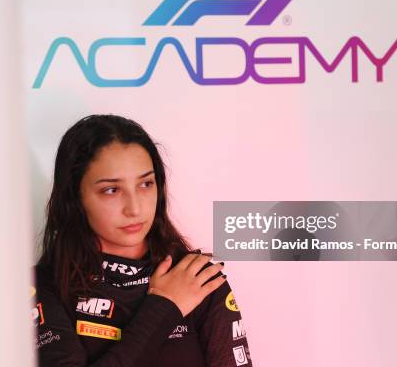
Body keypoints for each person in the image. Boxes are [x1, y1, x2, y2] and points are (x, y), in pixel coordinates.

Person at [31, 114, 253, 366]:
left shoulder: (197, 277)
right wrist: (164, 307)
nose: (134, 208)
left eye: (146, 184)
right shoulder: (42, 285)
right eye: (111, 190)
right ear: (75, 197)